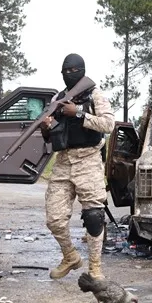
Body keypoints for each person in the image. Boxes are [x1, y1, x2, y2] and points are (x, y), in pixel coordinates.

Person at [40, 54, 115, 280]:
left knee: (93, 216)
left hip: (88, 159)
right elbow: (51, 134)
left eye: (74, 70)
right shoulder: (58, 98)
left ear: (82, 70)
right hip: (63, 161)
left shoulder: (95, 94)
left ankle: (95, 268)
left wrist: (79, 113)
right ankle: (70, 256)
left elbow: (108, 124)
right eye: (66, 71)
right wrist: (46, 127)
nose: (69, 74)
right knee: (54, 219)